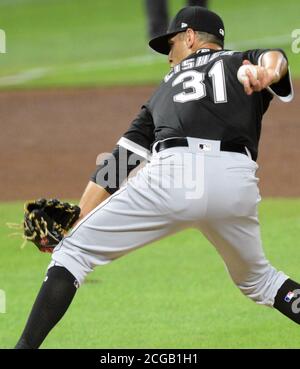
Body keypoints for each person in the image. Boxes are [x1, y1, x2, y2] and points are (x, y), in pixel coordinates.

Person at [15, 6, 297, 349]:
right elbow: (275, 57)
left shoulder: (164, 89)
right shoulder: (243, 61)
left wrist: (77, 221)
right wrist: (268, 73)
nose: (169, 57)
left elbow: (121, 161)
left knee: (73, 254)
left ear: (190, 37)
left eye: (172, 45)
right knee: (261, 281)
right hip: (234, 181)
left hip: (173, 176)